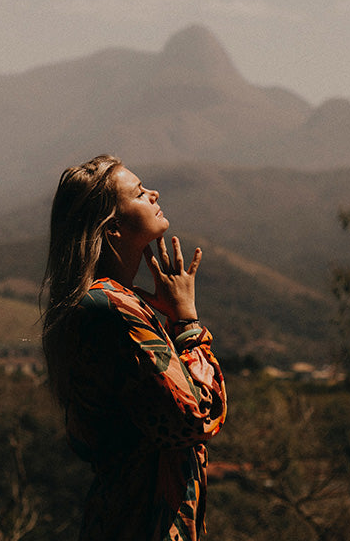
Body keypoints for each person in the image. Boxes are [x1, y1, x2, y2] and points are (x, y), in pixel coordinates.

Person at [41, 154, 227, 540]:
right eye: (140, 193)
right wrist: (188, 323)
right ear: (112, 228)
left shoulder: (110, 304)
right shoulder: (110, 309)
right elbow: (196, 417)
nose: (155, 193)